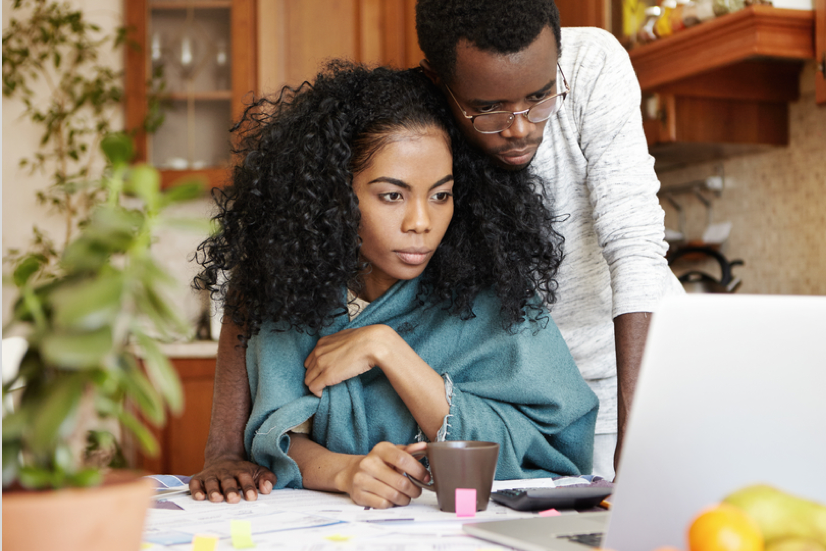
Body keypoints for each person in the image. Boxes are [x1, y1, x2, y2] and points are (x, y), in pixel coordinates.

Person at [190, 0, 680, 502]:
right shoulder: (416, 118)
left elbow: (635, 244)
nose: (519, 127)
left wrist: (638, 440)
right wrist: (225, 449)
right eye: (488, 108)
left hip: (615, 381)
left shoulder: (589, 66)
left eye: (538, 97)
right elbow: (253, 289)